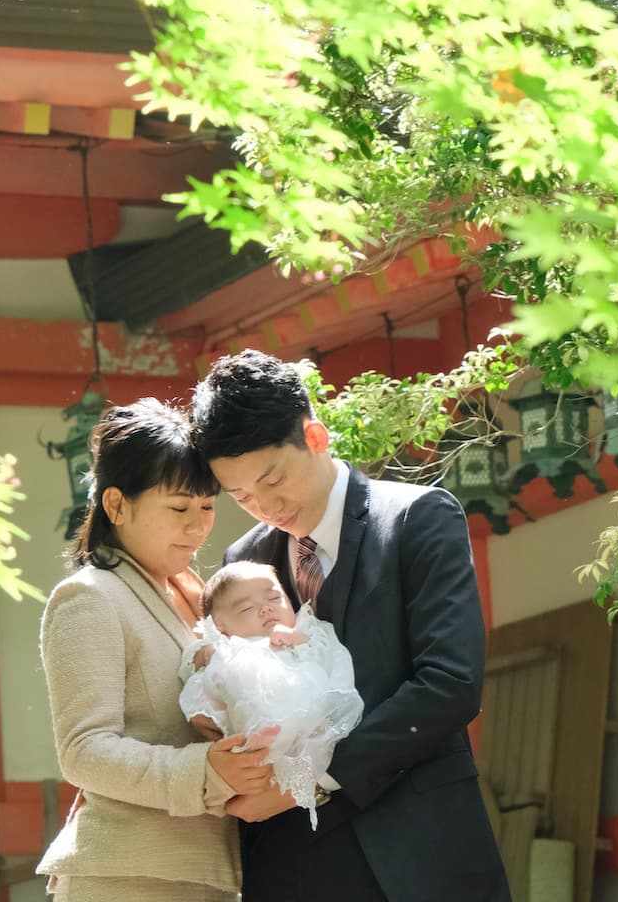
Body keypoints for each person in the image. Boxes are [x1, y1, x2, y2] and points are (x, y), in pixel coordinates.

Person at [190, 350, 512, 902]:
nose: (266, 506)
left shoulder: (417, 518)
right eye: (242, 496)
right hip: (294, 863)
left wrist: (308, 782)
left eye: (274, 480)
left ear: (315, 438)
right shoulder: (242, 562)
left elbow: (449, 685)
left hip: (420, 849)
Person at [36, 398, 274, 902]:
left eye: (207, 507)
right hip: (129, 875)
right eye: (179, 508)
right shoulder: (90, 596)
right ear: (117, 505)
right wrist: (205, 770)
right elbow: (84, 751)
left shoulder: (194, 593)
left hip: (207, 870)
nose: (198, 526)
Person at [178, 561, 364, 829]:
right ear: (221, 627)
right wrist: (206, 653)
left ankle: (273, 742)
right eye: (246, 608)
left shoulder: (305, 628)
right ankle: (255, 742)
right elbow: (190, 666)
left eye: (274, 598)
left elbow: (325, 655)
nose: (266, 608)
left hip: (305, 706)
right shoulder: (228, 647)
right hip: (253, 714)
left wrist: (296, 640)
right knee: (228, 676)